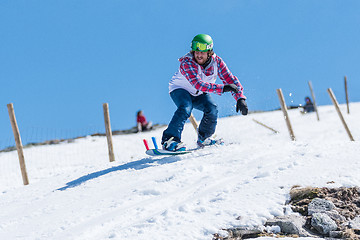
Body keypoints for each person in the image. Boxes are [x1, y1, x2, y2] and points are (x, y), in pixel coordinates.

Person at [161, 34, 248, 152]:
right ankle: (170, 140)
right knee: (186, 107)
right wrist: (222, 88)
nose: (198, 55)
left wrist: (240, 98)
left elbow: (230, 79)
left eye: (202, 52)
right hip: (180, 89)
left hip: (200, 93)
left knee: (212, 108)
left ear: (209, 52)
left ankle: (204, 138)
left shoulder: (217, 62)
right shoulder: (188, 62)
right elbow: (198, 84)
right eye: (196, 51)